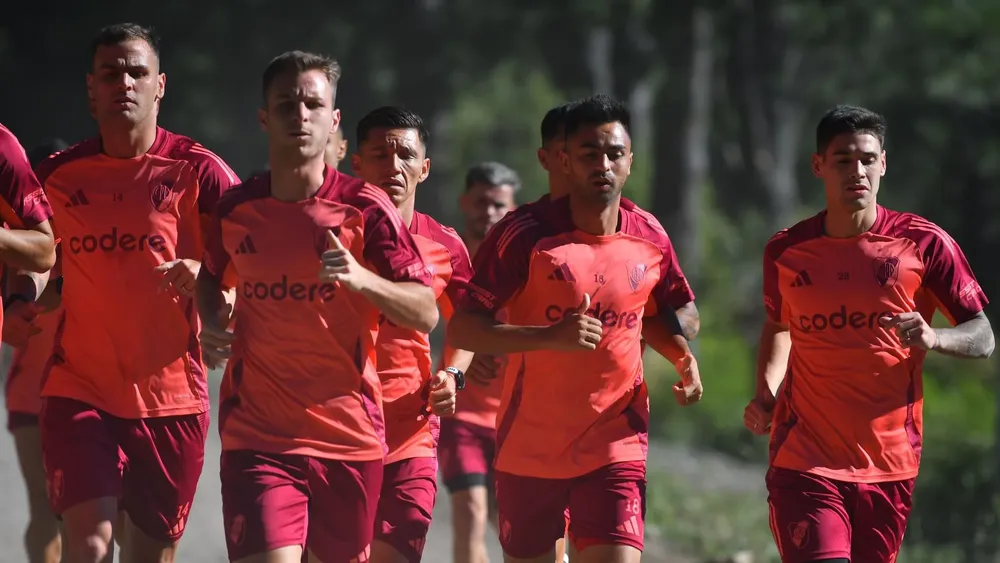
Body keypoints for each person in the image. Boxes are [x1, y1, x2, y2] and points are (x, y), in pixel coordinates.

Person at [196, 51, 438, 563]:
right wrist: (211, 317)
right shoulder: (236, 209)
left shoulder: (365, 208)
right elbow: (211, 277)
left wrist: (360, 278)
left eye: (312, 104)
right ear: (264, 117)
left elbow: (424, 311)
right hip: (257, 436)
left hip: (348, 436)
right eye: (286, 104)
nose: (299, 115)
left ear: (332, 120)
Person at [448, 95, 697, 563]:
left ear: (630, 160)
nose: (603, 164)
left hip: (615, 442)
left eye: (614, 153)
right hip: (530, 446)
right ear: (564, 159)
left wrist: (682, 355)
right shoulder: (523, 234)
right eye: (589, 154)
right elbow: (464, 328)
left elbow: (671, 312)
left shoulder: (650, 236)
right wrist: (547, 338)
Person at [743, 105, 994, 563]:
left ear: (883, 163)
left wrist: (935, 339)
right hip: (805, 457)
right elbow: (780, 325)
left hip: (890, 463)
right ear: (819, 166)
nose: (856, 171)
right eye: (842, 160)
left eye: (866, 159)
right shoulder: (786, 250)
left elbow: (982, 336)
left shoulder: (924, 244)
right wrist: (766, 392)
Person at [33, 23, 240, 562]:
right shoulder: (54, 177)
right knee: (91, 543)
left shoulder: (200, 170)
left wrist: (210, 283)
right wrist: (31, 292)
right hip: (80, 389)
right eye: (111, 72)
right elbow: (33, 263)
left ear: (160, 86)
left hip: (170, 402)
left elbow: (254, 260)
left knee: (146, 556)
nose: (124, 82)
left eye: (136, 72)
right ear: (91, 88)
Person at [351, 105, 473, 563]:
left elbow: (469, 322)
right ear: (357, 164)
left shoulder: (445, 243)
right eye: (380, 154)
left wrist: (453, 374)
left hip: (411, 436)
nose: (393, 165)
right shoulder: (333, 231)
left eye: (405, 154)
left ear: (424, 167)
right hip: (333, 431)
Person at [437, 161, 518, 563]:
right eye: (481, 202)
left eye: (498, 204)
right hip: (461, 417)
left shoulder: (527, 265)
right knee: (470, 512)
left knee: (518, 531)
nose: (488, 212)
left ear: (513, 208)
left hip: (519, 422)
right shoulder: (446, 257)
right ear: (464, 202)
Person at [3, 138, 67, 563]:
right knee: (47, 512)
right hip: (33, 392)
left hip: (83, 390)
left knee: (92, 514)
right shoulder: (19, 237)